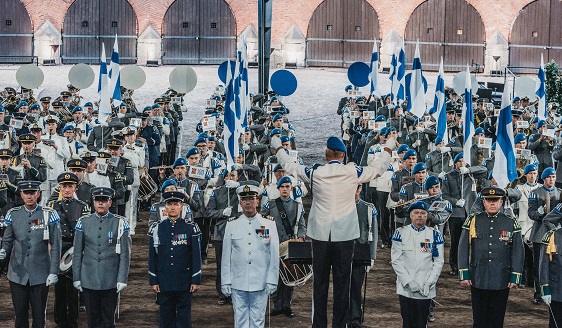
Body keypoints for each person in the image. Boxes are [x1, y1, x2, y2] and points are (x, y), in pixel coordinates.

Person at [271, 135, 395, 327]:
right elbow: (378, 169)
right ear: (344, 155)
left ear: (326, 153)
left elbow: (289, 165)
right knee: (343, 285)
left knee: (319, 286)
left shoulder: (316, 172)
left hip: (320, 235)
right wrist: (388, 147)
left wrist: (278, 146)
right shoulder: (352, 171)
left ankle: (319, 325)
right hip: (345, 236)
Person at [458, 187, 524, 328]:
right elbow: (463, 247)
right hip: (478, 277)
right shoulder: (473, 220)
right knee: (479, 319)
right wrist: (463, 273)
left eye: (496, 200)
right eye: (488, 200)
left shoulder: (511, 222)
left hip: (501, 277)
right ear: (483, 202)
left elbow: (518, 250)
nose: (492, 203)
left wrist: (515, 276)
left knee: (497, 319)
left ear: (502, 202)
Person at [0, 180, 62, 328]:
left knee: (39, 316)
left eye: (32, 193)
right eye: (26, 193)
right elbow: (8, 239)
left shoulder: (49, 214)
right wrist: (3, 250)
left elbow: (56, 246)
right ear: (21, 194)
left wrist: (54, 271)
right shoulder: (12, 214)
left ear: (38, 194)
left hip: (40, 273)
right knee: (20, 315)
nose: (29, 196)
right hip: (17, 273)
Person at [221, 183, 279, 328]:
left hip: (260, 280)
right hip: (238, 280)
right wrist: (225, 280)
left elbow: (274, 253)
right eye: (244, 199)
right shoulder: (232, 224)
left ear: (257, 201)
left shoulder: (268, 224)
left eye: (251, 199)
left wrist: (273, 279)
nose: (248, 202)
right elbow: (226, 255)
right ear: (240, 202)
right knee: (239, 319)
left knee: (258, 320)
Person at [72, 187, 131, 328]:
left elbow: (125, 253)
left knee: (108, 320)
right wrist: (77, 277)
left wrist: (122, 278)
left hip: (110, 279)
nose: (100, 203)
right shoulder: (83, 222)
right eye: (98, 200)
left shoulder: (120, 222)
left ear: (110, 203)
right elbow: (77, 252)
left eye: (104, 201)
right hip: (89, 278)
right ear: (93, 202)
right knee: (92, 320)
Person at [149, 191, 202, 328]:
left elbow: (196, 255)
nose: (172, 208)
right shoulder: (157, 228)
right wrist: (153, 279)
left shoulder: (191, 228)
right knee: (165, 317)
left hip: (184, 280)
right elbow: (152, 256)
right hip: (164, 280)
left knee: (184, 317)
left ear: (182, 206)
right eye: (169, 204)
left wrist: (195, 279)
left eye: (176, 204)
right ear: (164, 207)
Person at [391, 201, 444, 328]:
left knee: (422, 322)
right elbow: (396, 260)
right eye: (416, 213)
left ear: (427, 216)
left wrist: (430, 282)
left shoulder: (435, 234)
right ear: (410, 215)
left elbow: (438, 261)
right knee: (407, 322)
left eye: (423, 213)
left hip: (425, 288)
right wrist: (408, 281)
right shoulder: (401, 233)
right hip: (406, 289)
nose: (419, 215)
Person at [47, 172, 90, 328]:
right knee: (58, 288)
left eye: (70, 186)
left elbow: (85, 230)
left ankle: (72, 321)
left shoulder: (83, 206)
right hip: (58, 248)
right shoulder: (52, 206)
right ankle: (60, 320)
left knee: (73, 288)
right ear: (59, 187)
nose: (66, 190)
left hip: (74, 248)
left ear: (75, 188)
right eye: (64, 186)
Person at [260, 176, 306, 318]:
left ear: (291, 189)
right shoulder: (270, 204)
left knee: (289, 276)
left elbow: (302, 224)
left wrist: (301, 237)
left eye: (287, 187)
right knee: (274, 275)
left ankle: (286, 306)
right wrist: (264, 238)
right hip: (273, 244)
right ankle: (276, 305)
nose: (285, 189)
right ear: (278, 189)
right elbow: (260, 222)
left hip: (289, 245)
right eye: (282, 187)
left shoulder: (298, 207)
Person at [349, 185, 378, 328]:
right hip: (342, 252)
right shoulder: (340, 207)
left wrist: (372, 256)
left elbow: (374, 234)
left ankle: (354, 319)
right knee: (342, 287)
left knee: (355, 287)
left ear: (359, 189)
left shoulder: (368, 208)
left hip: (361, 253)